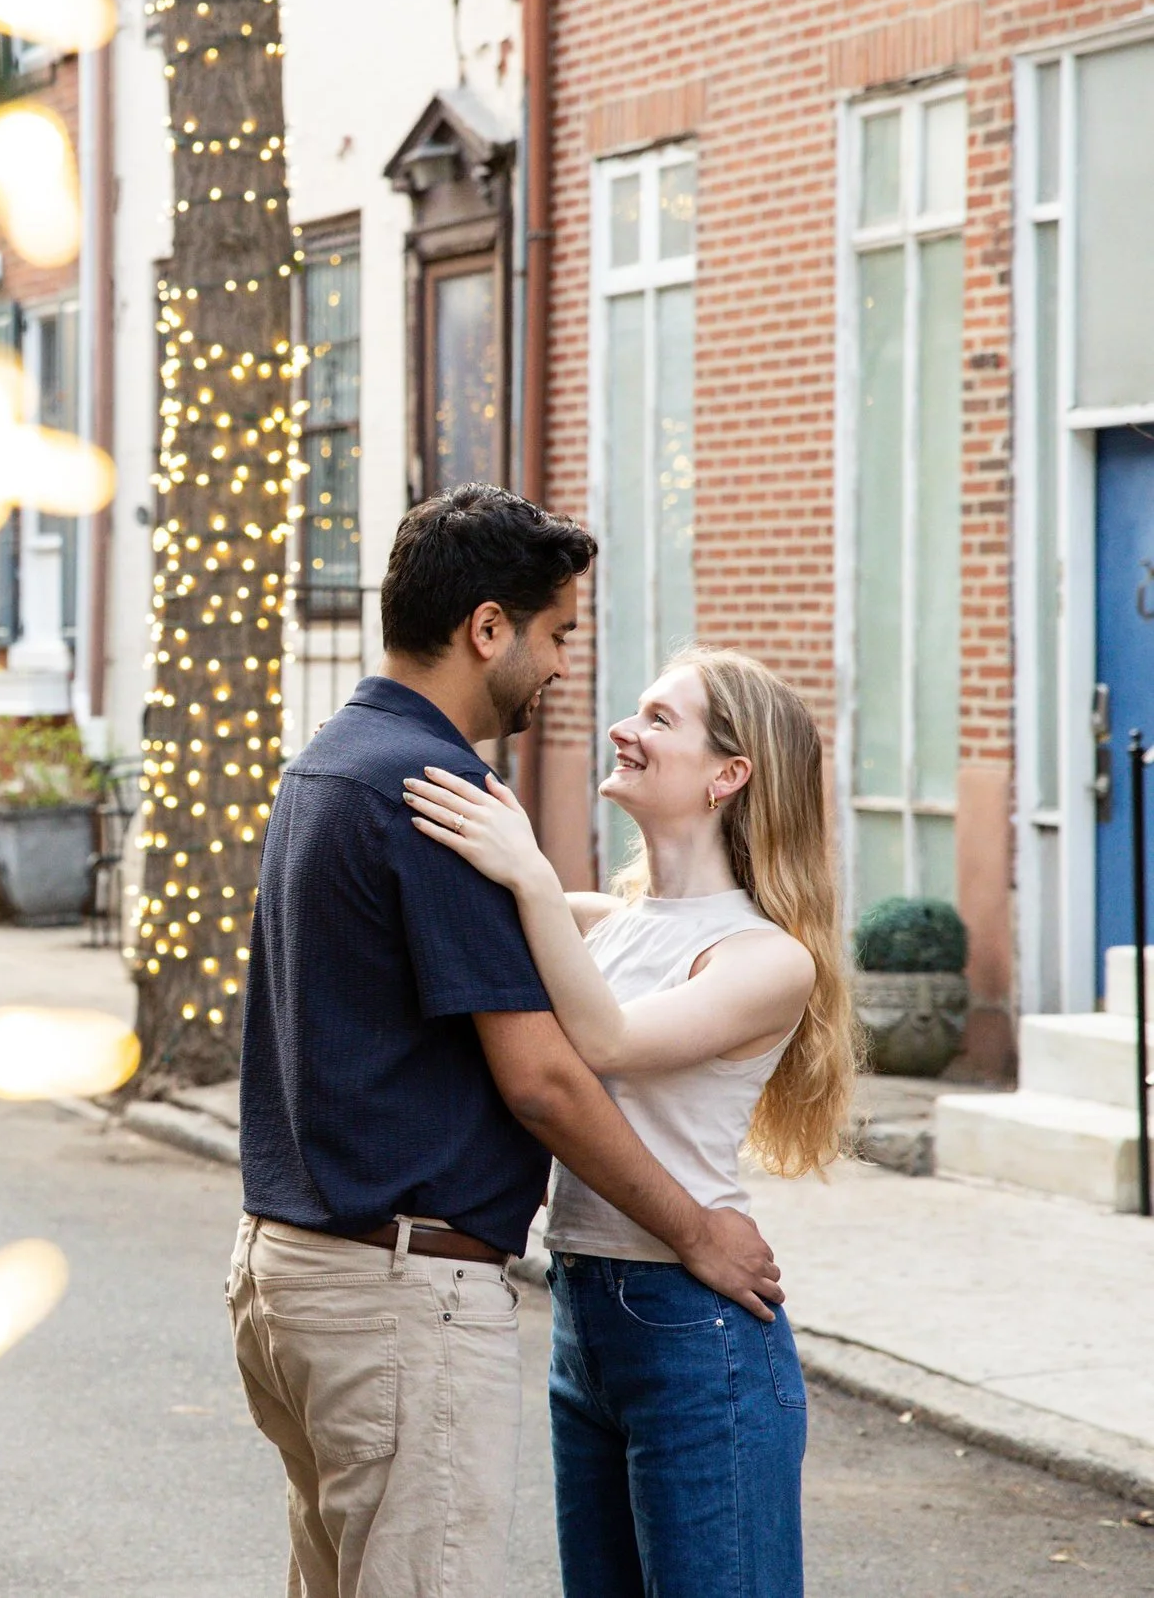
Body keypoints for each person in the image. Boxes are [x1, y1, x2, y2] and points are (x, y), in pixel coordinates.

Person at [228, 485, 785, 1598]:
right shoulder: (436, 792)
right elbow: (543, 1081)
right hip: (397, 1289)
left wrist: (534, 874)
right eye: (558, 632)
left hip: (286, 1268)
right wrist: (698, 1233)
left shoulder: (326, 763)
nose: (564, 665)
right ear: (488, 628)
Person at [400, 646, 853, 1598]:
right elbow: (450, 912)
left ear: (729, 775)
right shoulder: (615, 922)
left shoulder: (766, 957)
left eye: (657, 718)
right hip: (585, 1314)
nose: (622, 727)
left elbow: (601, 1042)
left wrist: (527, 874)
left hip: (699, 1330)